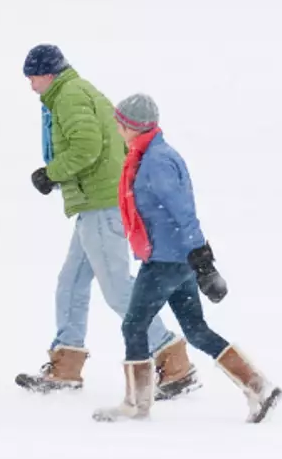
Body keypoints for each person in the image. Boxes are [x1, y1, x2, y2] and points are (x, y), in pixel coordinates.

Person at [15, 44, 198, 397]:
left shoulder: (69, 95)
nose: (31, 85)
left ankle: (172, 358)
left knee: (116, 287)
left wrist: (52, 173)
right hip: (96, 202)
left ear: (48, 74)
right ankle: (66, 363)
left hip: (101, 203)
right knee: (71, 282)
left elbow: (86, 146)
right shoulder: (73, 91)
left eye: (33, 77)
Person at [93, 95, 282, 423]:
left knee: (134, 324)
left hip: (166, 260)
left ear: (132, 126)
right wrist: (194, 258)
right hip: (175, 258)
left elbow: (183, 211)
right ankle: (258, 386)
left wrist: (202, 259)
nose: (116, 126)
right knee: (196, 330)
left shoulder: (156, 162)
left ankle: (136, 405)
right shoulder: (150, 154)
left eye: (119, 122)